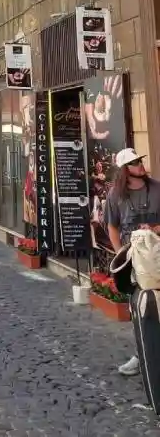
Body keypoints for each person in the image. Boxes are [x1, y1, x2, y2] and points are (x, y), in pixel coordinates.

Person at [106, 148, 160, 376]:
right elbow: (112, 227)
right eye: (135, 162)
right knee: (138, 308)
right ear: (125, 170)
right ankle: (142, 355)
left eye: (140, 161)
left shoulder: (157, 188)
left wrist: (156, 228)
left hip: (157, 255)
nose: (140, 165)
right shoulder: (115, 195)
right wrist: (121, 256)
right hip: (133, 260)